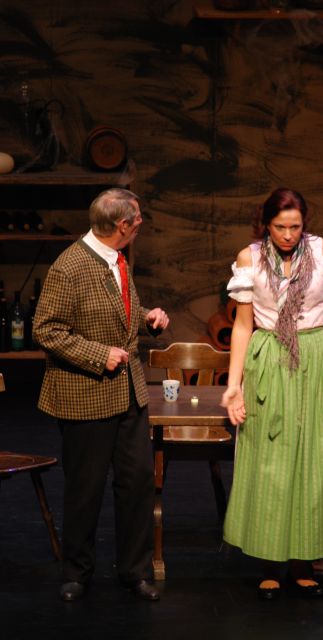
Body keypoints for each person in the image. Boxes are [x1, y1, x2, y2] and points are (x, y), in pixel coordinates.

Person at [221, 187, 323, 600]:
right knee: (270, 460)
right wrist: (234, 384)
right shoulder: (250, 258)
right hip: (268, 357)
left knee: (314, 460)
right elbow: (242, 325)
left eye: (295, 227)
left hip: (314, 357)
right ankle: (270, 562)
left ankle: (304, 561)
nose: (287, 235)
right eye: (280, 227)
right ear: (266, 224)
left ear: (305, 224)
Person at [33, 188, 169, 602]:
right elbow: (46, 329)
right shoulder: (69, 266)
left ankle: (135, 571)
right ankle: (76, 572)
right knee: (85, 488)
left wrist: (146, 319)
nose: (141, 224)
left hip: (129, 393)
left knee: (137, 483)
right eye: (138, 219)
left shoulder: (117, 259)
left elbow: (117, 313)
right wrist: (99, 354)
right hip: (86, 395)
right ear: (122, 225)